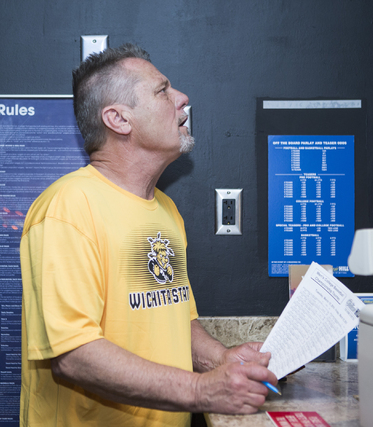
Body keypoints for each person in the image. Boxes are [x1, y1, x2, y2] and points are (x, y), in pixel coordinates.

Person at [20, 43, 277, 427]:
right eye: (162, 90)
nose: (182, 98)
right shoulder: (66, 208)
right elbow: (73, 355)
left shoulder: (166, 211)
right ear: (119, 119)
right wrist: (200, 391)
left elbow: (177, 322)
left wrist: (222, 360)